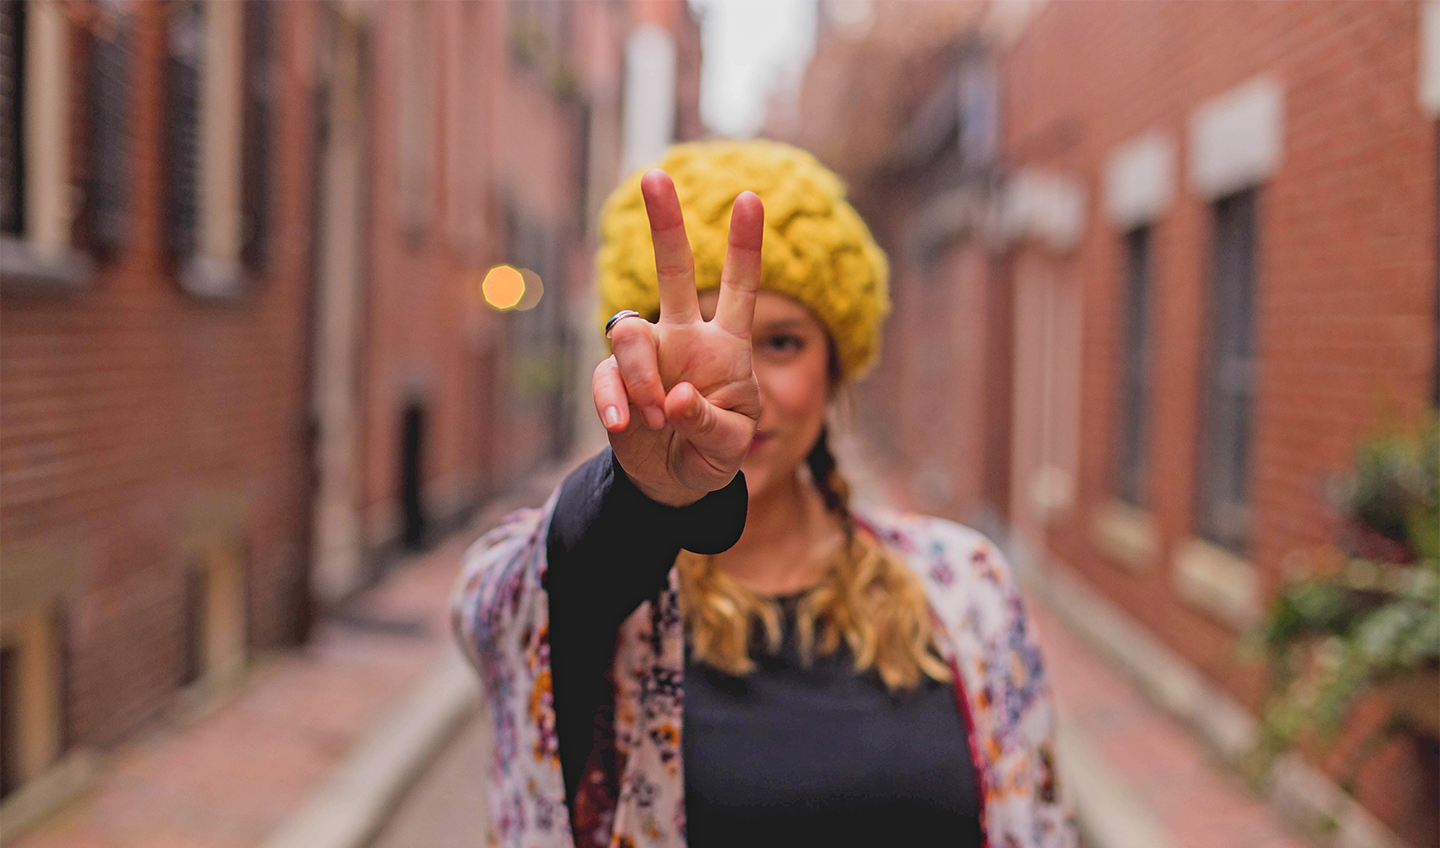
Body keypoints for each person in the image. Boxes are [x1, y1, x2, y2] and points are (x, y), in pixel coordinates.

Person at [451, 140, 1077, 848]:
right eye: (698, 346)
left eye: (780, 344)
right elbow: (499, 607)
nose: (739, 391)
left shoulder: (966, 586)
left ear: (834, 370)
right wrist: (641, 498)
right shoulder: (611, 603)